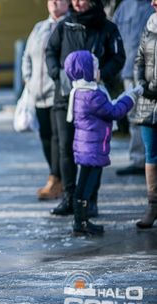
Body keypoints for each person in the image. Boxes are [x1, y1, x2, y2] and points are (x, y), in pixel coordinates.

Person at [46, 0, 125, 217]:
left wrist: (102, 73)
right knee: (66, 148)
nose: (77, 3)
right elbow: (50, 51)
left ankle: (90, 199)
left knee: (92, 151)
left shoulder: (107, 27)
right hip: (66, 97)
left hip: (94, 99)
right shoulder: (64, 25)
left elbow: (118, 57)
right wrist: (57, 74)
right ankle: (69, 197)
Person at [63, 50, 141, 235]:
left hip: (86, 147)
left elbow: (107, 108)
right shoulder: (92, 95)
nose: (99, 71)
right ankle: (80, 222)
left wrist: (122, 97)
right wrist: (131, 97)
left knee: (83, 184)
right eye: (96, 68)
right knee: (86, 186)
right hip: (93, 148)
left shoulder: (80, 91)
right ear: (87, 70)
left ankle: (80, 220)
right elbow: (113, 112)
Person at [22, 0, 69, 200]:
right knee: (45, 137)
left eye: (60, 0)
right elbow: (26, 57)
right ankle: (54, 177)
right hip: (37, 93)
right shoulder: (39, 27)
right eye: (51, 0)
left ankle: (59, 179)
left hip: (57, 93)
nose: (55, 3)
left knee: (59, 140)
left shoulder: (69, 27)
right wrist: (29, 81)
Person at [113, 0, 153, 176]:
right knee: (134, 116)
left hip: (152, 73)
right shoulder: (124, 7)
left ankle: (151, 160)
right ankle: (139, 160)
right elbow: (113, 34)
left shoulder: (153, 4)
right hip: (129, 71)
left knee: (151, 117)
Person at [132, 7, 157, 229]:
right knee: (151, 153)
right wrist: (140, 82)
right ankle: (153, 205)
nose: (153, 2)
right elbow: (139, 58)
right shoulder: (150, 23)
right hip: (148, 101)